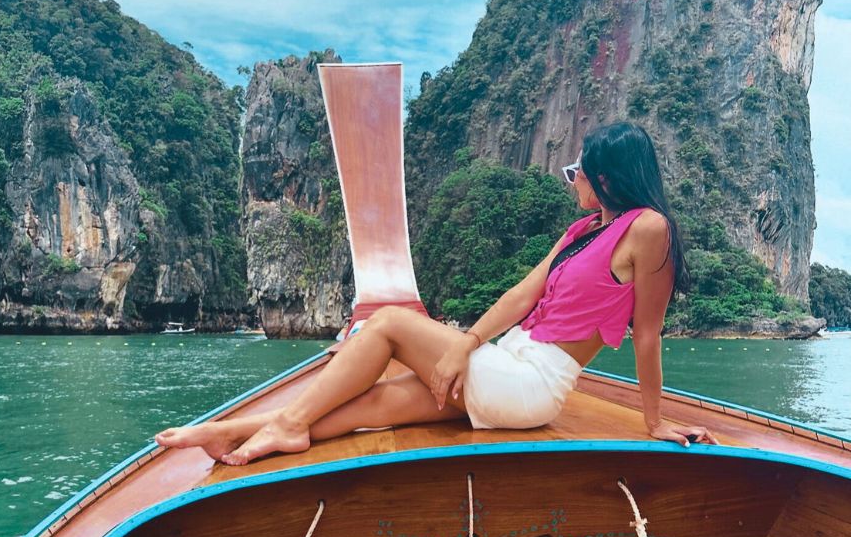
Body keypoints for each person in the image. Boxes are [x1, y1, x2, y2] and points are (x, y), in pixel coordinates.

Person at [156, 121, 718, 465]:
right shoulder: (581, 232)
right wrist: (468, 343)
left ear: (609, 177)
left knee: (391, 324)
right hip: (505, 363)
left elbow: (646, 334)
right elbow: (523, 295)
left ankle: (283, 424)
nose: (572, 179)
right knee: (376, 405)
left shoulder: (649, 228)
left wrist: (653, 422)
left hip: (533, 386)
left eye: (578, 170)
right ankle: (237, 432)